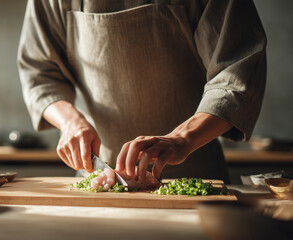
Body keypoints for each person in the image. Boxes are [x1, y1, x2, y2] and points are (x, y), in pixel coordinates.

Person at [17, 0, 266, 185]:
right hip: (100, 181)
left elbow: (238, 71)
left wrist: (182, 139)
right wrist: (70, 122)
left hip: (196, 180)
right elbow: (40, 73)